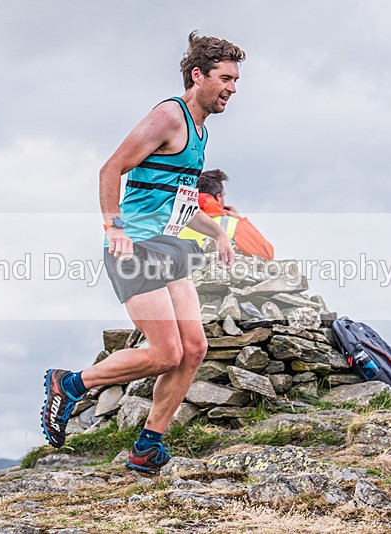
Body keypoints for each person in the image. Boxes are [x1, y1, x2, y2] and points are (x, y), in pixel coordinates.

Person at [41, 32, 245, 474]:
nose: (233, 88)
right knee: (165, 351)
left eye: (235, 80)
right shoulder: (169, 116)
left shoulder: (200, 132)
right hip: (134, 245)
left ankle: (148, 445)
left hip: (168, 245)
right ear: (198, 75)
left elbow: (179, 203)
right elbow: (111, 167)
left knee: (194, 348)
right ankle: (70, 384)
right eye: (225, 78)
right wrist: (113, 226)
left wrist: (218, 233)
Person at [178, 168, 274, 260]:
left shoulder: (174, 218)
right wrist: (240, 219)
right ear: (219, 197)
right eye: (224, 195)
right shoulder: (230, 223)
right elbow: (266, 254)